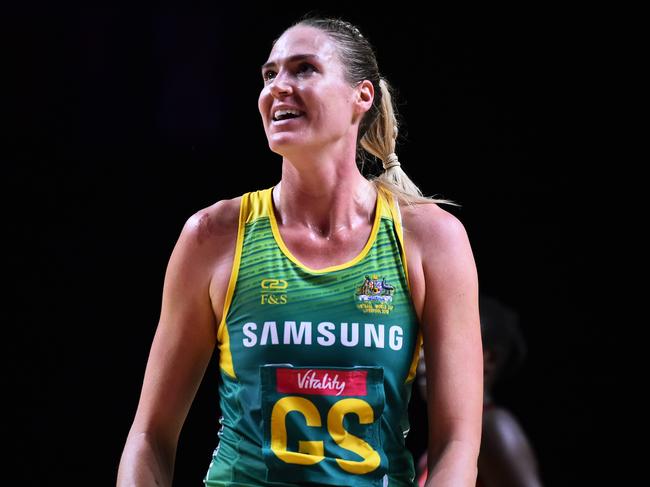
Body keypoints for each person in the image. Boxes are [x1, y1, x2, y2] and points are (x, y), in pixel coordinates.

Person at [117, 14, 483, 487]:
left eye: (304, 69)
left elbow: (458, 443)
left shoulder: (432, 239)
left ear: (362, 97)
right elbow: (149, 436)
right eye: (270, 75)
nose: (277, 88)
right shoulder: (213, 235)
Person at [415, 294, 544, 487]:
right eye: (424, 342)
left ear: (488, 358)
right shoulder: (449, 438)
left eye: (442, 342)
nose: (423, 355)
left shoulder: (493, 428)